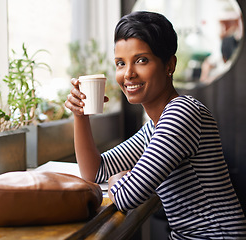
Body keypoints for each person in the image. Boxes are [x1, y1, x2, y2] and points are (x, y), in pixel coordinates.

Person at [65, 11, 246, 239]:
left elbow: (126, 197)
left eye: (141, 60)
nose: (128, 74)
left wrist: (118, 179)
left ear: (169, 64)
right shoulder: (155, 126)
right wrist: (80, 115)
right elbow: (94, 171)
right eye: (121, 63)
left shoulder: (182, 113)